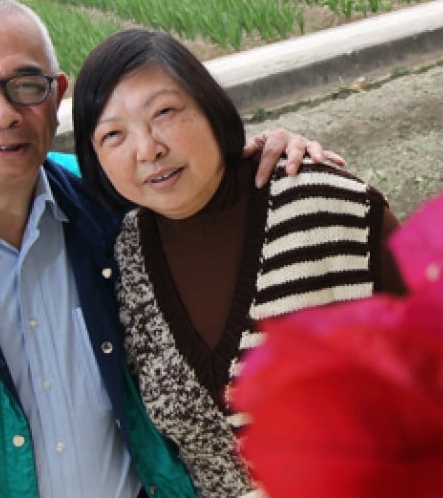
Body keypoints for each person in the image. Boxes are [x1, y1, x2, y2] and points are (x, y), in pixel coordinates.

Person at [0, 0, 337, 497]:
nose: (2, 114)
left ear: (56, 97)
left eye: (27, 86)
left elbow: (202, 195)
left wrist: (270, 161)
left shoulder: (111, 201)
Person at [72, 29, 406, 497]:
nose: (147, 149)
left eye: (164, 112)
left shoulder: (321, 203)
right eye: (114, 135)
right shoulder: (126, 258)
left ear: (209, 106)